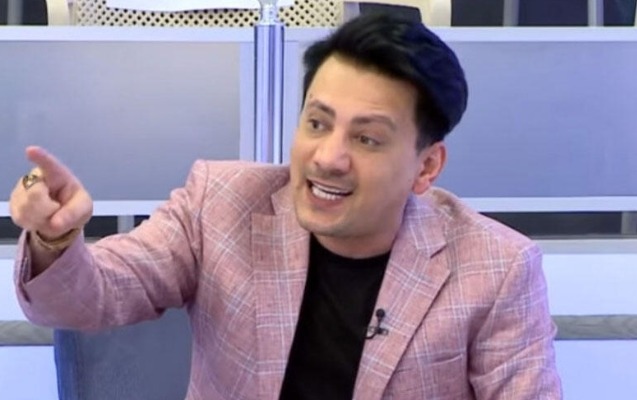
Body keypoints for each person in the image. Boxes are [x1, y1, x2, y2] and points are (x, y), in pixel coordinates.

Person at [9, 13, 562, 400]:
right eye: (317, 124)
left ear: (426, 167)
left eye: (367, 139)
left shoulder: (496, 269)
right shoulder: (220, 203)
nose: (328, 158)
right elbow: (92, 297)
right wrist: (56, 238)